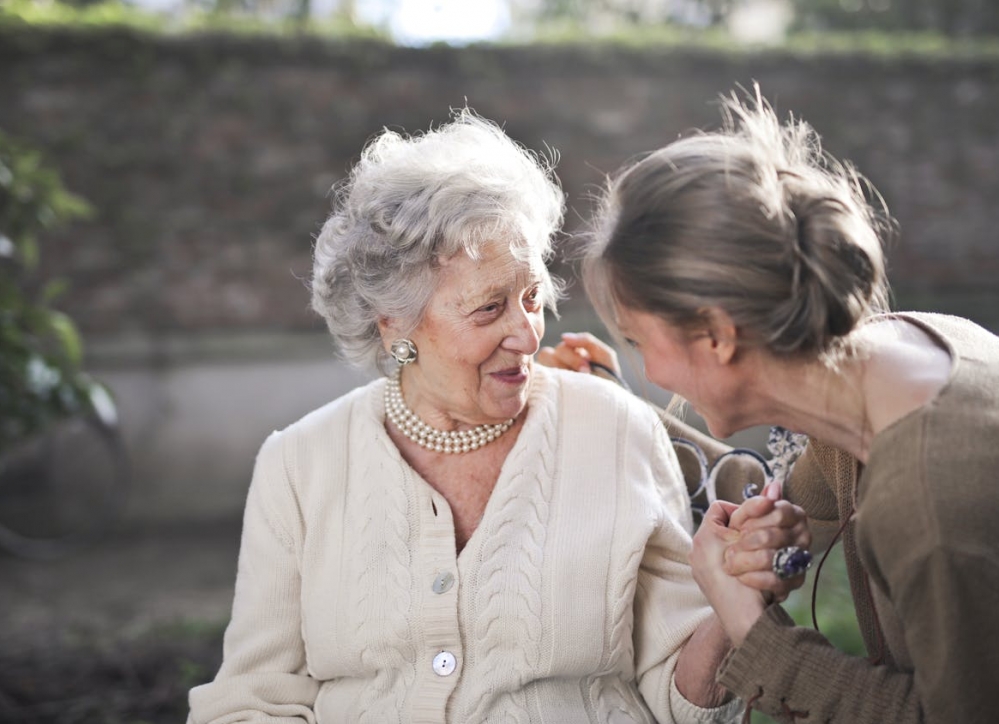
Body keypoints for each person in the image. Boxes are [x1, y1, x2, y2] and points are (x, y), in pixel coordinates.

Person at [186, 110, 781, 723]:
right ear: (395, 324)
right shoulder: (299, 464)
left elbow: (679, 699)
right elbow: (251, 700)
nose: (527, 334)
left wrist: (731, 605)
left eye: (531, 298)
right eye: (489, 308)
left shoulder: (614, 429)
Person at [578, 86, 999, 723]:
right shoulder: (895, 356)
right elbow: (790, 507)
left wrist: (755, 632)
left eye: (638, 340)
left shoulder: (928, 498)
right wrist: (777, 534)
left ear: (717, 334)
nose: (649, 370)